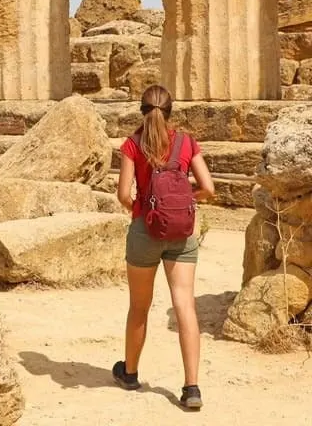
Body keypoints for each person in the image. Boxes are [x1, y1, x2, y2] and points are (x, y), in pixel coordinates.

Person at [113, 84, 215, 410]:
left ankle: (129, 373)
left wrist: (143, 211)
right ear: (171, 111)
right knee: (185, 305)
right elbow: (208, 188)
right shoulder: (186, 143)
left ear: (141, 111)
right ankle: (192, 387)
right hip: (181, 231)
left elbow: (123, 195)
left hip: (145, 229)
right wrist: (186, 200)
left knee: (139, 306)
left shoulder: (132, 144)